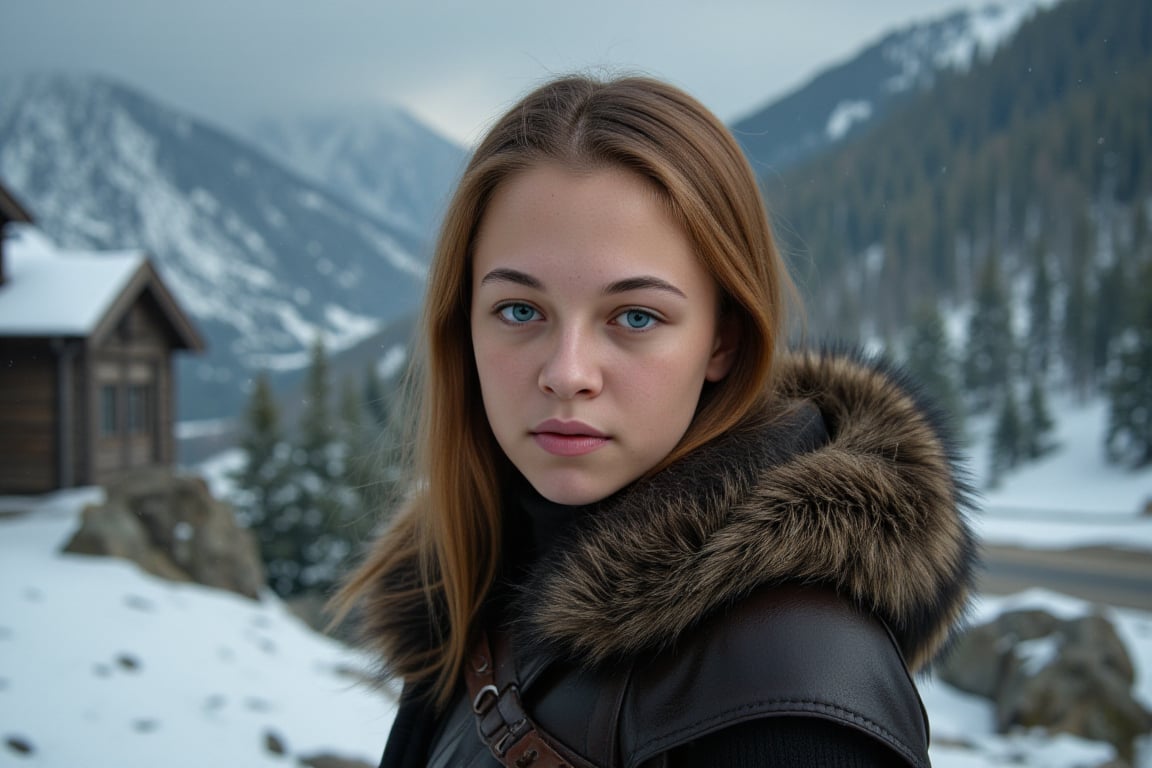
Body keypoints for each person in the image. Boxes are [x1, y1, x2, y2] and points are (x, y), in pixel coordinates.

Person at [333, 74, 976, 768]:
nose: (568, 371)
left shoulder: (787, 693)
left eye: (635, 317)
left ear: (722, 340)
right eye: (520, 310)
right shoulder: (477, 578)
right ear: (464, 325)